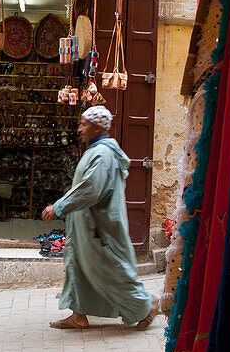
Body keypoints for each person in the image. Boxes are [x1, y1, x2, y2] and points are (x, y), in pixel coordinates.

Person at [41, 105, 159, 330]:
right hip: (86, 225)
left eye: (84, 124)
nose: (79, 129)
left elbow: (90, 189)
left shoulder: (102, 154)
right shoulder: (97, 150)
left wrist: (59, 206)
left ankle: (147, 304)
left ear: (97, 127)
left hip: (99, 228)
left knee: (109, 269)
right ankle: (78, 315)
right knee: (80, 266)